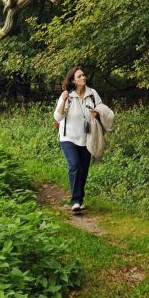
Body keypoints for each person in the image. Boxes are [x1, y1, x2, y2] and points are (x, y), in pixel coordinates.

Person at [54, 66, 101, 213]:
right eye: (79, 76)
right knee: (74, 165)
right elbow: (58, 117)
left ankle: (80, 199)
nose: (83, 78)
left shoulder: (92, 94)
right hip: (68, 138)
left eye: (83, 75)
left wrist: (97, 114)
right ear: (73, 80)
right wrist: (63, 100)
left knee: (83, 170)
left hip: (87, 138)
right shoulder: (68, 95)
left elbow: (102, 110)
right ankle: (75, 201)